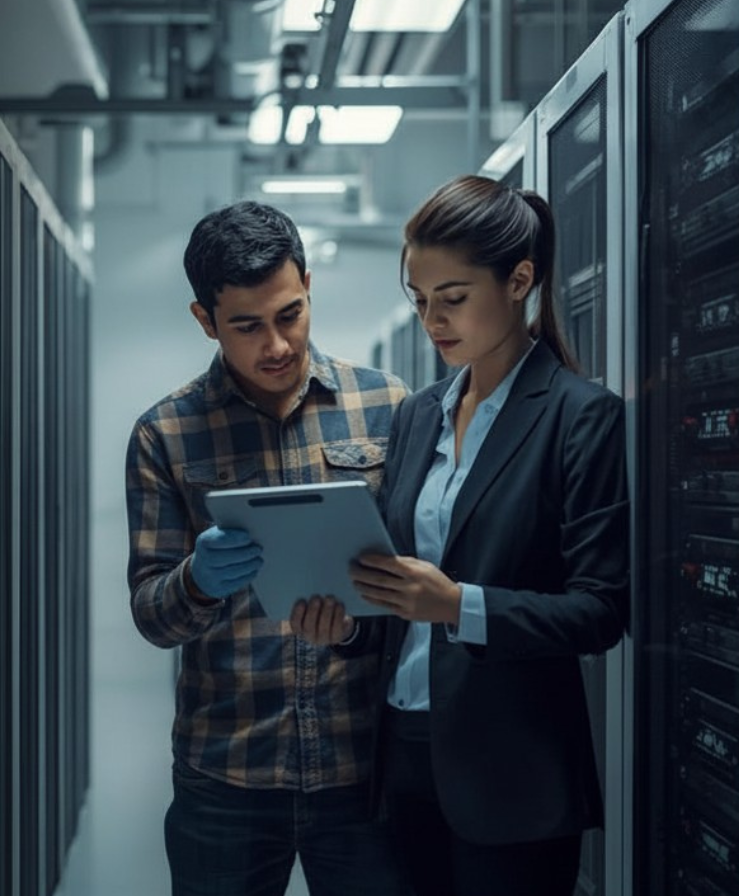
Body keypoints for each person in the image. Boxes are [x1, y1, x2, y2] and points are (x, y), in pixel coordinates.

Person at [290, 174, 630, 896]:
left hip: (513, 777)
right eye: (420, 302)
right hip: (403, 761)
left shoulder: (580, 415)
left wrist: (458, 606)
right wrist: (348, 626)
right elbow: (399, 596)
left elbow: (600, 610)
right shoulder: (419, 414)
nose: (433, 321)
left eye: (453, 299)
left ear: (520, 281)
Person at [125, 199, 412, 896]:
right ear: (205, 321)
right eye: (247, 327)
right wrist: (196, 580)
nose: (276, 345)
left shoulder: (390, 407)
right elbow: (152, 615)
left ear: (308, 285)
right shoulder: (166, 434)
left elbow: (421, 594)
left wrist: (356, 629)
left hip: (362, 770)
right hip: (226, 774)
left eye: (289, 315)